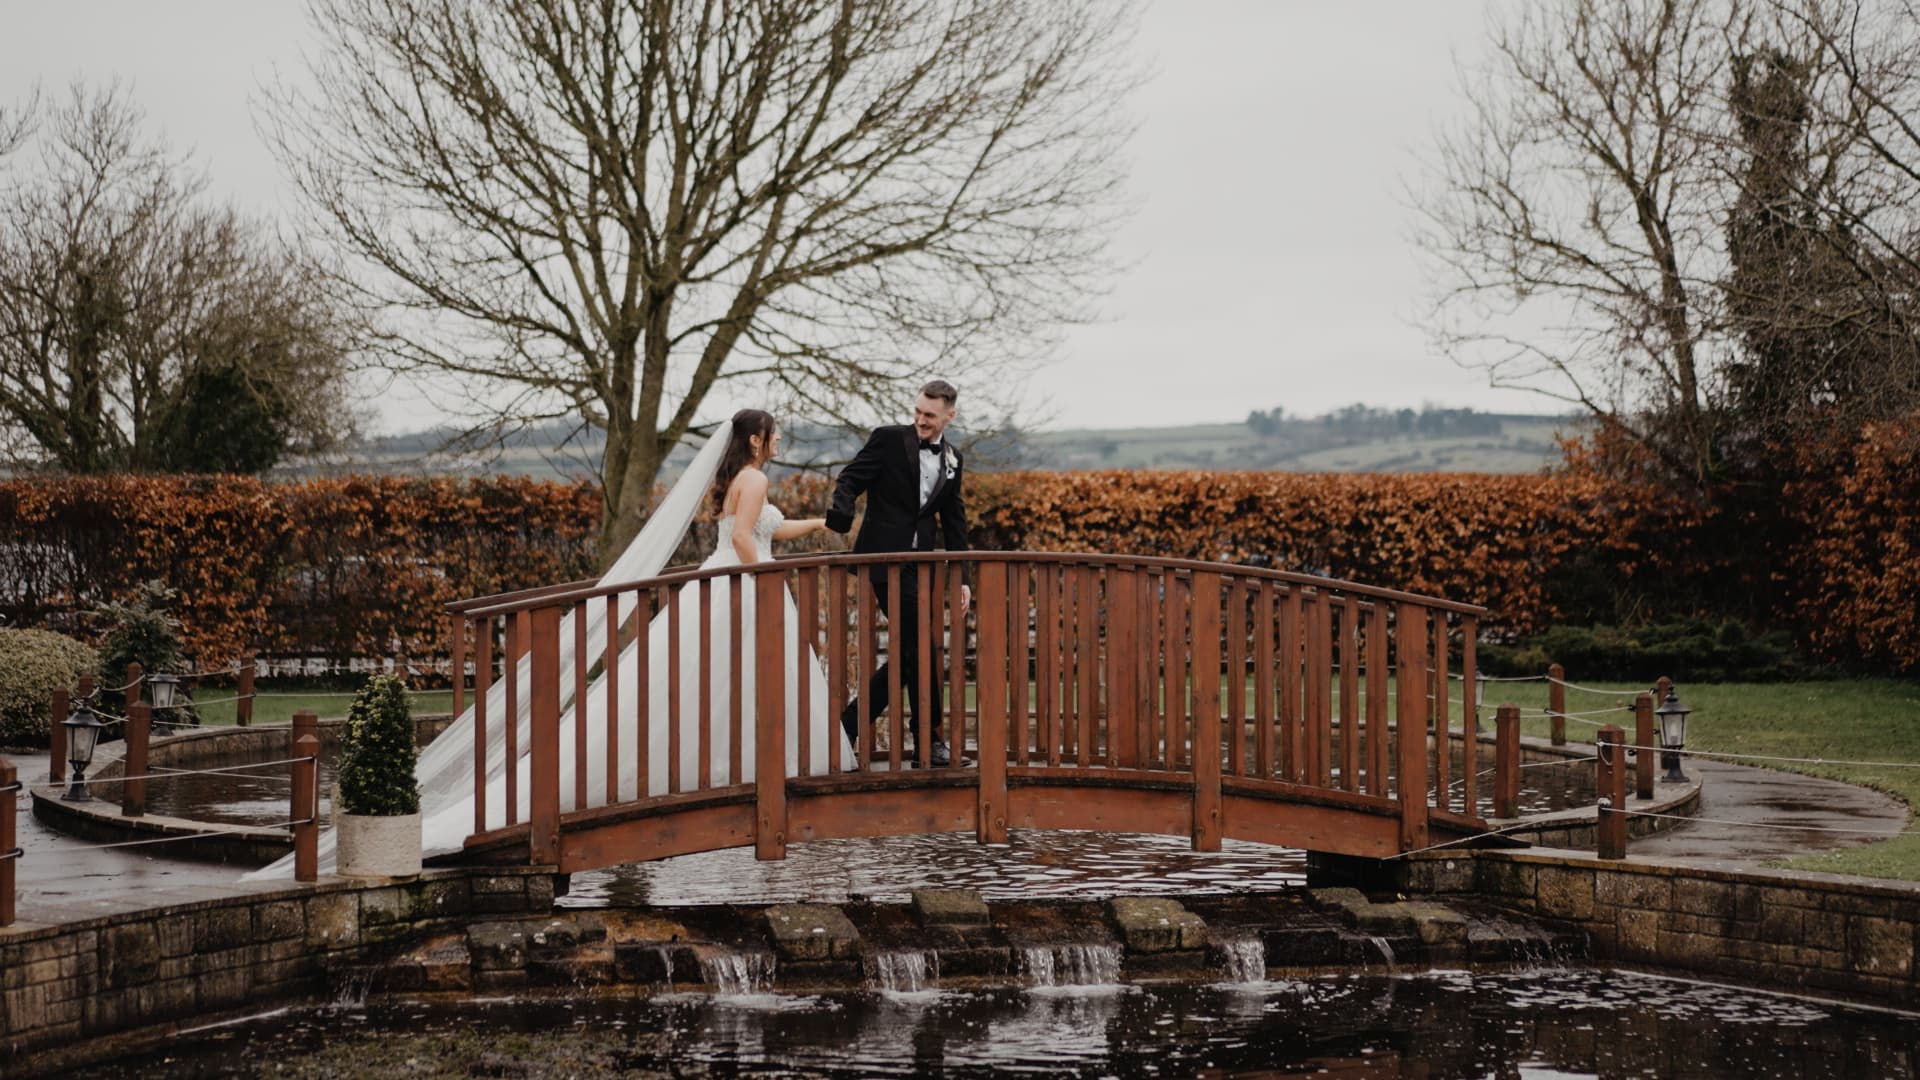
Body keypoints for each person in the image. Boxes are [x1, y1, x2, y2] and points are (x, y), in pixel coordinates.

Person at [826, 379, 972, 767]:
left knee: (914, 650)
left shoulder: (953, 459)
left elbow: (954, 520)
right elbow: (850, 478)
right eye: (918, 412)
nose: (921, 420)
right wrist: (842, 511)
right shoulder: (888, 439)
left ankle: (847, 726)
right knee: (921, 645)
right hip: (884, 560)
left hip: (921, 566)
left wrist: (963, 578)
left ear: (949, 416)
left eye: (930, 415)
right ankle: (929, 741)